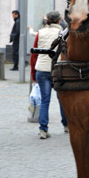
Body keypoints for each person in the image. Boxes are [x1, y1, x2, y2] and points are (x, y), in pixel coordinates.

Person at [30, 10, 68, 138]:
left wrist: (33, 72)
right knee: (62, 99)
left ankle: (43, 129)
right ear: (59, 21)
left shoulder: (40, 32)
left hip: (41, 68)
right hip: (58, 70)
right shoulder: (61, 33)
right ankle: (66, 125)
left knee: (45, 100)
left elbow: (34, 54)